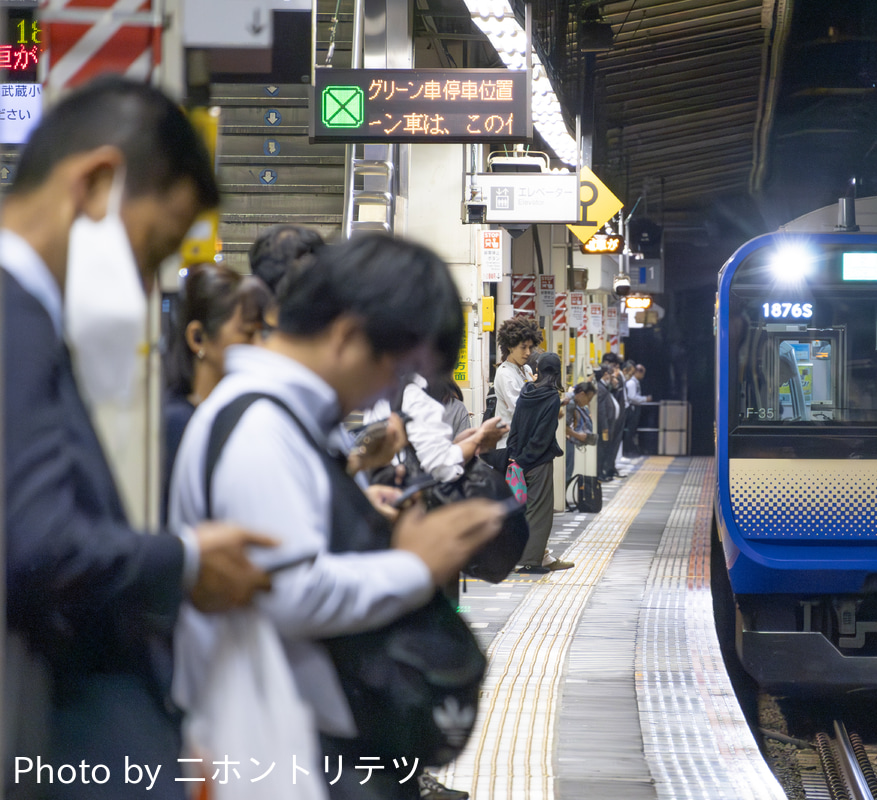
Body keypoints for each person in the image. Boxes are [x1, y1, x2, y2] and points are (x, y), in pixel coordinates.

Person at [1, 76, 274, 798]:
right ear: (94, 184)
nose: (146, 279)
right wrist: (184, 560)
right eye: (151, 250)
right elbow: (37, 546)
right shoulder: (14, 318)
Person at [169, 233, 504, 800]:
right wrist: (416, 567)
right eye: (398, 369)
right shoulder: (259, 427)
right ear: (348, 335)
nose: (392, 389)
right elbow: (289, 592)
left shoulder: (285, 418)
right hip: (276, 755)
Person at [163, 263, 271, 519]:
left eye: (260, 334)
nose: (259, 347)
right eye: (247, 334)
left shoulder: (239, 412)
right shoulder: (177, 424)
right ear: (198, 338)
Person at [507, 352, 573, 574]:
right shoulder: (552, 398)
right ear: (556, 372)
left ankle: (528, 557)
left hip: (518, 462)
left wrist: (514, 456)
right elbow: (542, 437)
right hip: (538, 463)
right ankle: (530, 562)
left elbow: (515, 425)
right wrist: (525, 459)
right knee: (540, 514)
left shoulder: (526, 392)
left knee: (523, 511)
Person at [485, 315, 541, 470]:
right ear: (510, 346)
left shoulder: (526, 370)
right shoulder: (505, 373)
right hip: (508, 446)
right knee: (514, 493)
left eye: (530, 347)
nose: (528, 352)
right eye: (523, 347)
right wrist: (537, 389)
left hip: (523, 444)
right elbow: (520, 408)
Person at [596, 366, 623, 481]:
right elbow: (601, 411)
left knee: (605, 449)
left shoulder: (604, 387)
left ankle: (602, 472)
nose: (612, 378)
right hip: (605, 427)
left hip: (608, 425)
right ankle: (600, 473)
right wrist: (605, 427)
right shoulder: (601, 388)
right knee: (602, 450)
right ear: (605, 374)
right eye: (611, 376)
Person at [565, 381, 596, 480]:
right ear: (582, 394)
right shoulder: (570, 403)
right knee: (567, 472)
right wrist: (578, 436)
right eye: (588, 399)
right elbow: (562, 427)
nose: (588, 403)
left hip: (567, 441)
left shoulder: (571, 401)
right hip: (565, 442)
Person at [623, 363, 651, 455]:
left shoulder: (635, 382)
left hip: (635, 408)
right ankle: (627, 450)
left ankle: (629, 449)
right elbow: (632, 397)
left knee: (632, 430)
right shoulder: (631, 383)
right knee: (630, 430)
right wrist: (645, 399)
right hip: (632, 408)